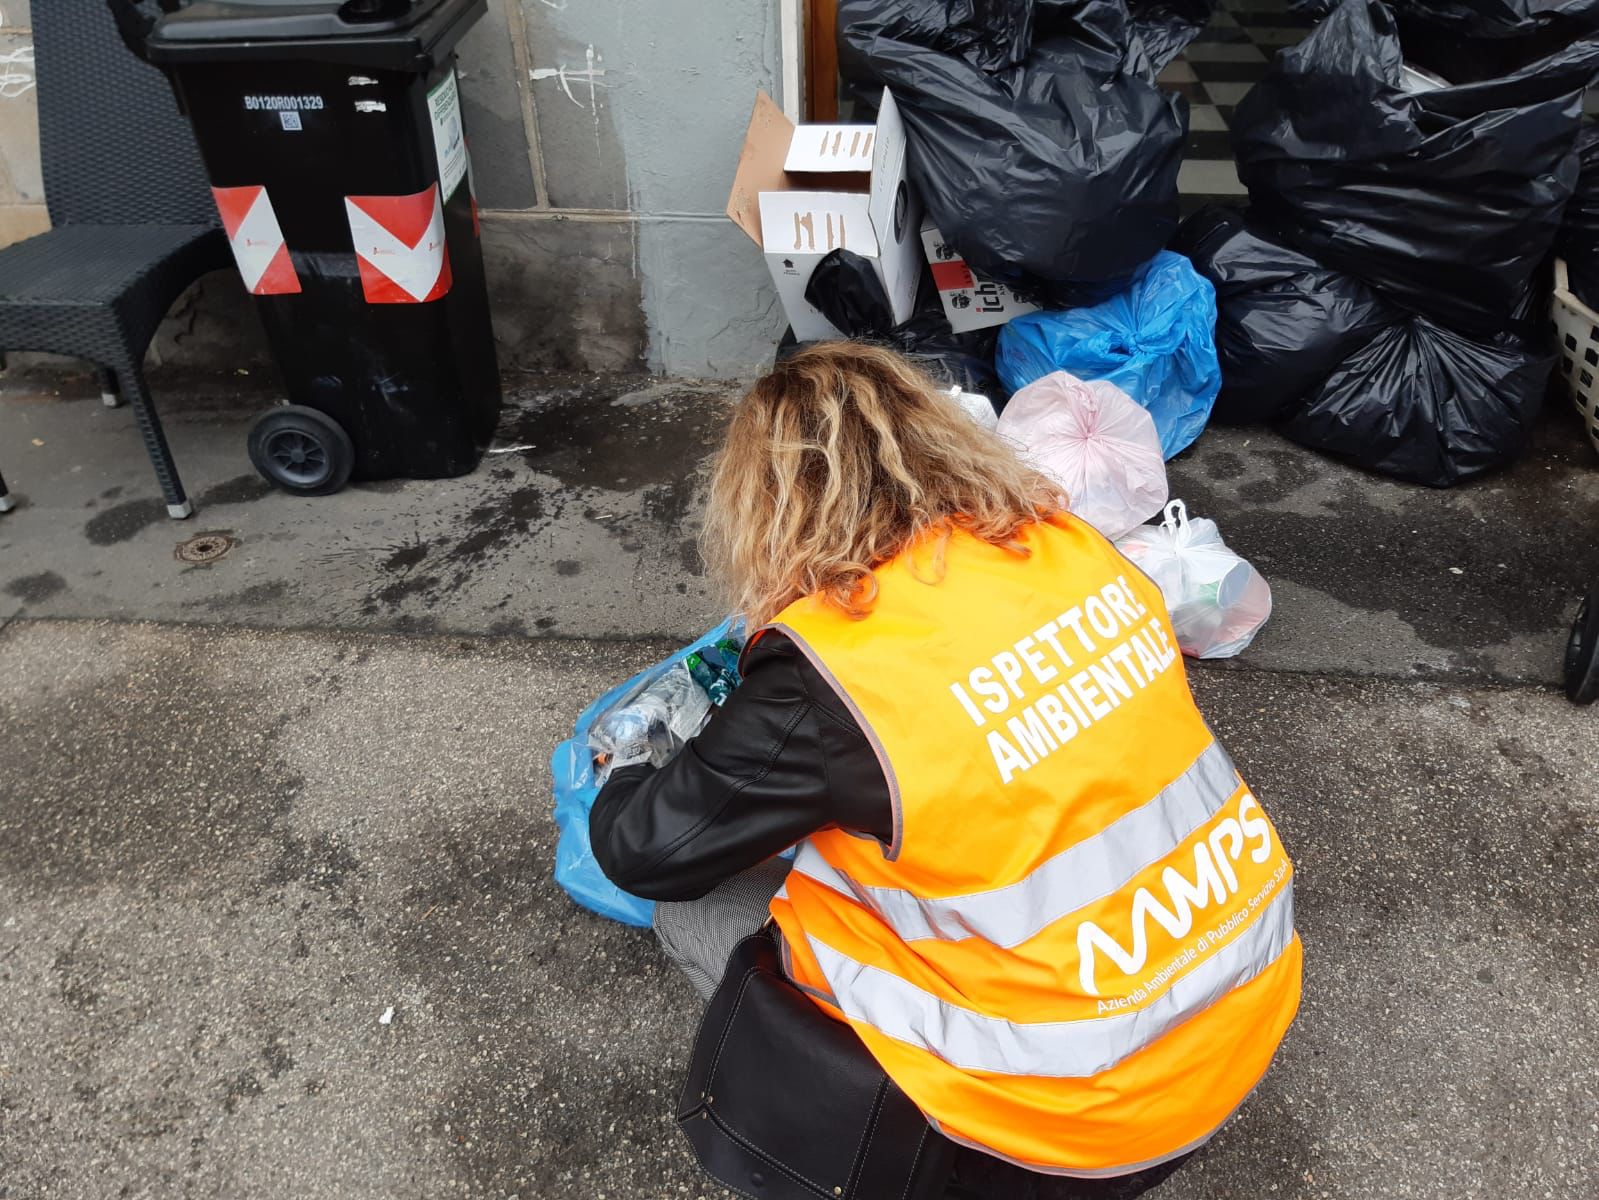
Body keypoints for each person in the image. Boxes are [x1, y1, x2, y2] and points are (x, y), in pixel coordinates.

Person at [589, 343, 1301, 1197]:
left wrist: (624, 762)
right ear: (941, 440)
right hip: (1232, 1020)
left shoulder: (841, 668)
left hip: (1070, 1119)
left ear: (767, 508)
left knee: (697, 905)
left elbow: (646, 849)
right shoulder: (1072, 547)